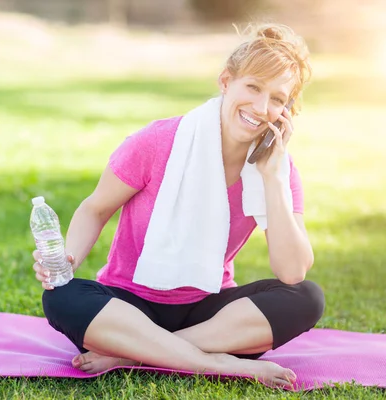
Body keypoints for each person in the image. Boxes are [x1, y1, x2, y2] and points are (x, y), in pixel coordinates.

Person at [31, 23, 325, 388]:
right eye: (252, 87)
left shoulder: (278, 168)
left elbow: (293, 271)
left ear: (287, 109)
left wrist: (273, 179)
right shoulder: (158, 142)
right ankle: (223, 365)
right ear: (225, 81)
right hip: (129, 305)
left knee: (307, 297)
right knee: (61, 297)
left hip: (208, 314)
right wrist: (70, 257)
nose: (262, 108)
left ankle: (134, 355)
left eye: (278, 99)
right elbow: (95, 209)